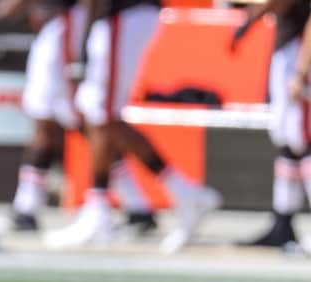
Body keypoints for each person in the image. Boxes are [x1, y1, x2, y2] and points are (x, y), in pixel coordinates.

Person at [43, 0, 222, 252]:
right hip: (122, 17)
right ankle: (176, 193)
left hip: (126, 14)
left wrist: (82, 46)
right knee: (96, 110)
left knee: (101, 112)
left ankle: (104, 208)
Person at [0, 0, 156, 234]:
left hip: (68, 26)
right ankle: (27, 208)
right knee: (62, 121)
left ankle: (134, 204)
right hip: (64, 28)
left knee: (88, 119)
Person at [232, 0, 309, 252]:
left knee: (303, 138)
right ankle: (282, 223)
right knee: (288, 139)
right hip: (290, 50)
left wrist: (301, 70)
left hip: (300, 54)